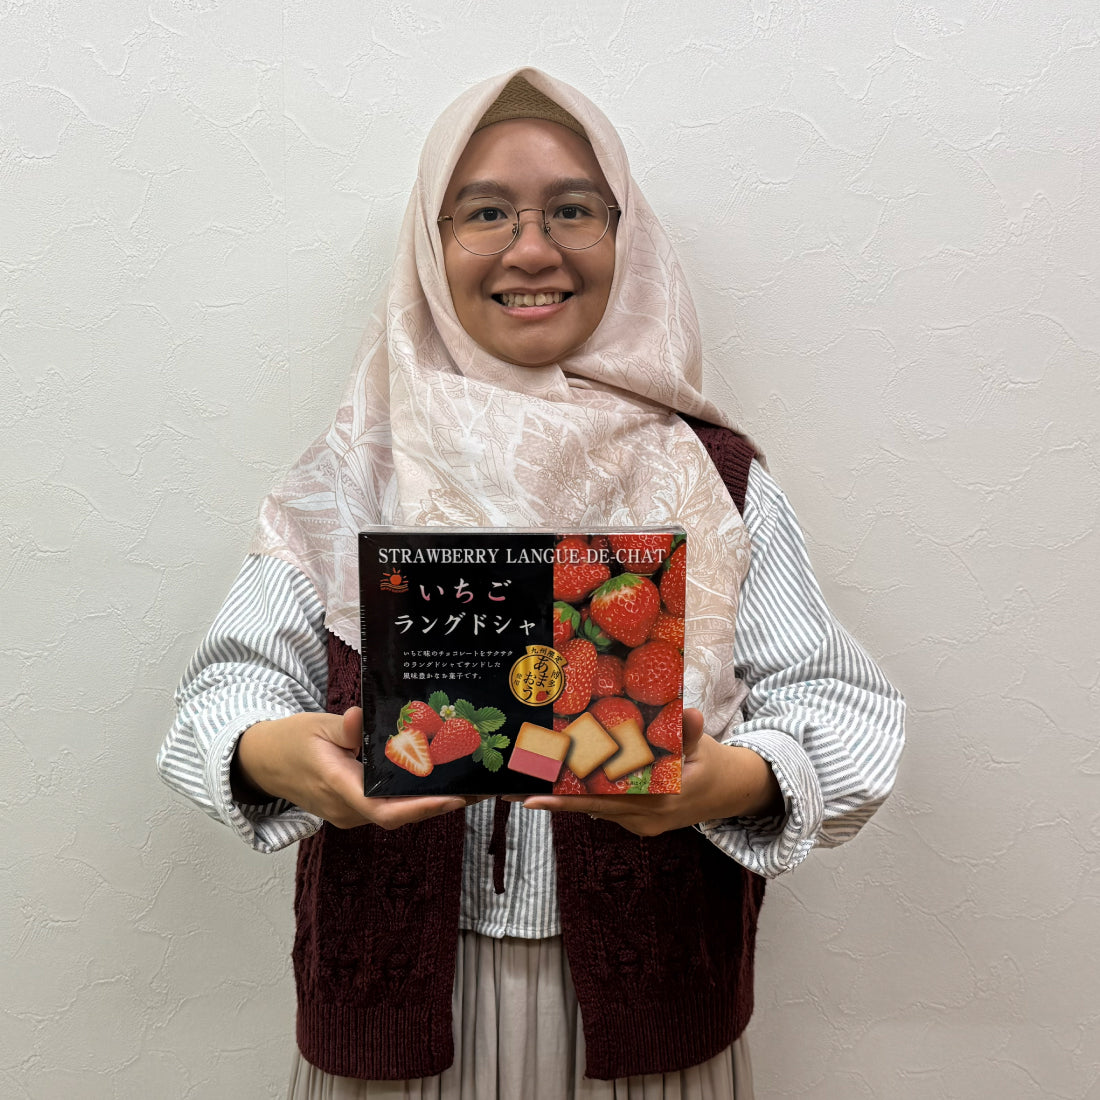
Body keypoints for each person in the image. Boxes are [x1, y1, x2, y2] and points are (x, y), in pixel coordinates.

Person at [157, 69, 905, 1099]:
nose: (531, 246)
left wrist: (728, 782)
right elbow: (221, 692)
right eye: (484, 213)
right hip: (398, 1016)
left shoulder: (712, 474)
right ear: (430, 240)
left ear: (622, 233)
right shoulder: (351, 472)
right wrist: (271, 750)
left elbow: (834, 702)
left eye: (570, 209)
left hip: (649, 1025)